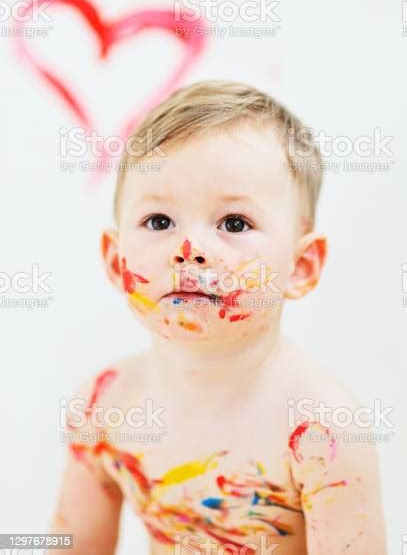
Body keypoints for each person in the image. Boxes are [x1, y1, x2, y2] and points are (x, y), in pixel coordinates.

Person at [49, 80, 387, 554]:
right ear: (114, 258)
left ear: (301, 267)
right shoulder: (103, 406)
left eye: (234, 223)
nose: (191, 252)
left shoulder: (321, 430)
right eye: (160, 221)